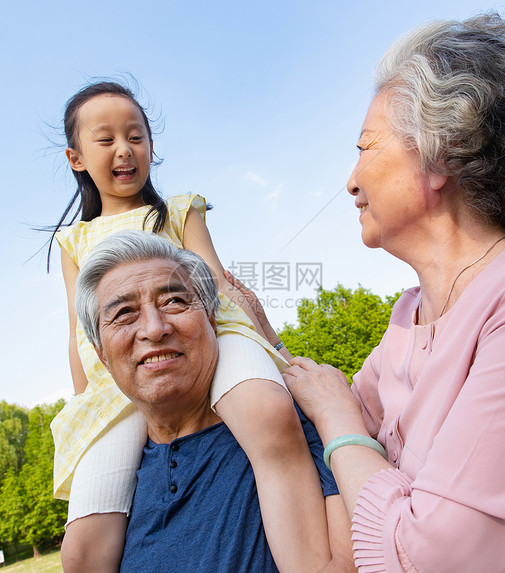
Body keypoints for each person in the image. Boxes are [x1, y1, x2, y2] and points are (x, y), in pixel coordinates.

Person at [231, 13, 505, 572]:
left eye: (366, 147)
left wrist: (341, 422)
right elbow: (318, 401)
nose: (350, 179)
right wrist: (254, 329)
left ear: (439, 152)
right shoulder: (407, 322)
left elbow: (431, 559)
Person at [46, 80, 330, 572]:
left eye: (136, 136)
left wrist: (277, 352)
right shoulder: (74, 242)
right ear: (76, 158)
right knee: (83, 547)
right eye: (106, 139)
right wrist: (84, 399)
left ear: (151, 146)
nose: (124, 150)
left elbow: (218, 284)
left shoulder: (178, 210)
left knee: (267, 413)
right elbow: (79, 329)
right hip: (119, 378)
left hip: (211, 333)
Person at [72, 230, 354, 572]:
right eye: (124, 313)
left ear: (211, 319)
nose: (154, 328)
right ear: (101, 354)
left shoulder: (308, 430)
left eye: (174, 301)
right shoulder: (112, 492)